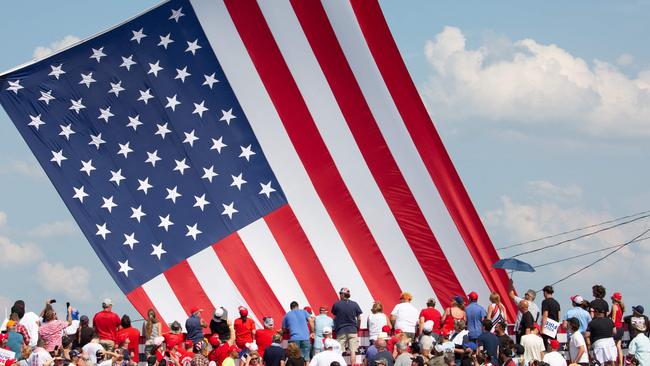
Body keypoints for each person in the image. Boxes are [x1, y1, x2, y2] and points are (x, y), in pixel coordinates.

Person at [331, 288, 362, 366]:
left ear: (342, 294)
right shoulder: (355, 304)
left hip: (341, 330)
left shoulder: (336, 304)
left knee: (338, 351)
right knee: (353, 351)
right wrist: (357, 327)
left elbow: (334, 317)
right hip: (353, 329)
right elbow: (359, 318)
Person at [540, 285, 560, 350]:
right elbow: (559, 317)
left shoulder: (545, 302)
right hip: (554, 327)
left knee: (547, 346)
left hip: (547, 327)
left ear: (545, 292)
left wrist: (542, 329)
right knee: (553, 346)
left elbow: (545, 315)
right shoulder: (557, 303)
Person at [609, 292, 624, 366]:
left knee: (613, 347)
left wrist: (611, 327)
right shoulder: (621, 306)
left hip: (616, 328)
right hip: (621, 328)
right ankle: (621, 364)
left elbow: (613, 318)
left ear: (614, 299)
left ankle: (613, 364)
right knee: (619, 347)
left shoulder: (614, 306)